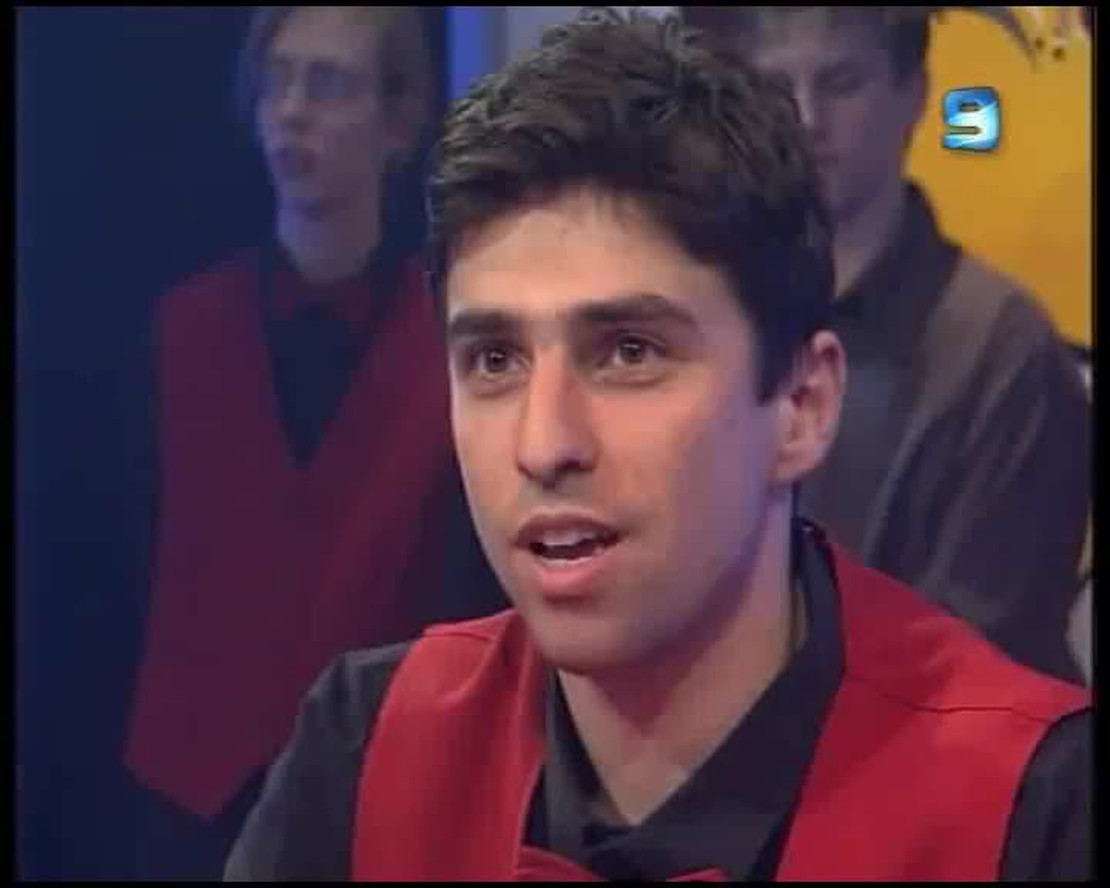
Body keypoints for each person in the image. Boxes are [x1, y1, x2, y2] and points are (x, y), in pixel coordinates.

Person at [224, 9, 1090, 882]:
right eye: (494, 360)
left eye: (630, 353)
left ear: (802, 404)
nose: (543, 444)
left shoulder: (1032, 804)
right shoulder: (366, 749)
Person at [123, 6, 502, 878]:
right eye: (278, 82)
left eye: (327, 85)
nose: (292, 110)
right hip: (182, 807)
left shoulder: (454, 345)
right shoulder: (177, 333)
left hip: (385, 793)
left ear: (398, 124)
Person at [681, 7, 1091, 684]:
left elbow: (975, 663)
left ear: (914, 95)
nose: (807, 119)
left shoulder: (1001, 350)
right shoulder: (708, 317)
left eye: (841, 83)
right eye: (777, 88)